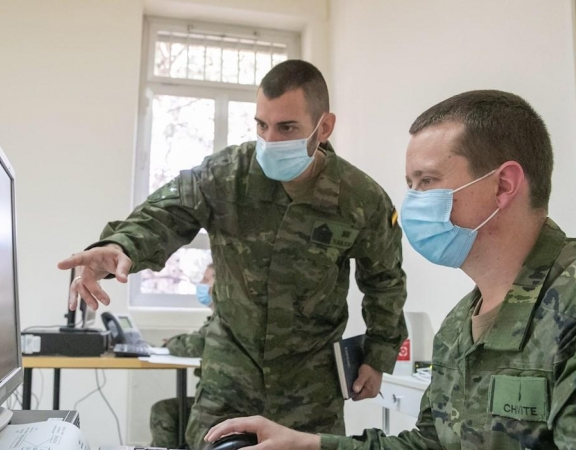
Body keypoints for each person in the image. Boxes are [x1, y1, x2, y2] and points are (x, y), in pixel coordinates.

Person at [205, 90, 576, 449]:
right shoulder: (458, 331)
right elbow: (432, 444)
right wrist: (308, 444)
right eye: (410, 185)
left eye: (427, 182)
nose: (412, 203)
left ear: (503, 185)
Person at [58, 60, 408, 449]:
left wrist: (378, 355)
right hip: (229, 372)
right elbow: (166, 213)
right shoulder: (228, 174)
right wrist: (122, 245)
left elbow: (385, 281)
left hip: (310, 382)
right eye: (262, 125)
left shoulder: (361, 199)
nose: (270, 140)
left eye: (287, 128)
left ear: (323, 127)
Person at [150, 264, 216, 448]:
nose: (201, 285)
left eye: (206, 279)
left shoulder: (228, 316)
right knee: (165, 411)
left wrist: (172, 342)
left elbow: (196, 344)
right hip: (211, 399)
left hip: (223, 405)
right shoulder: (218, 316)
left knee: (165, 411)